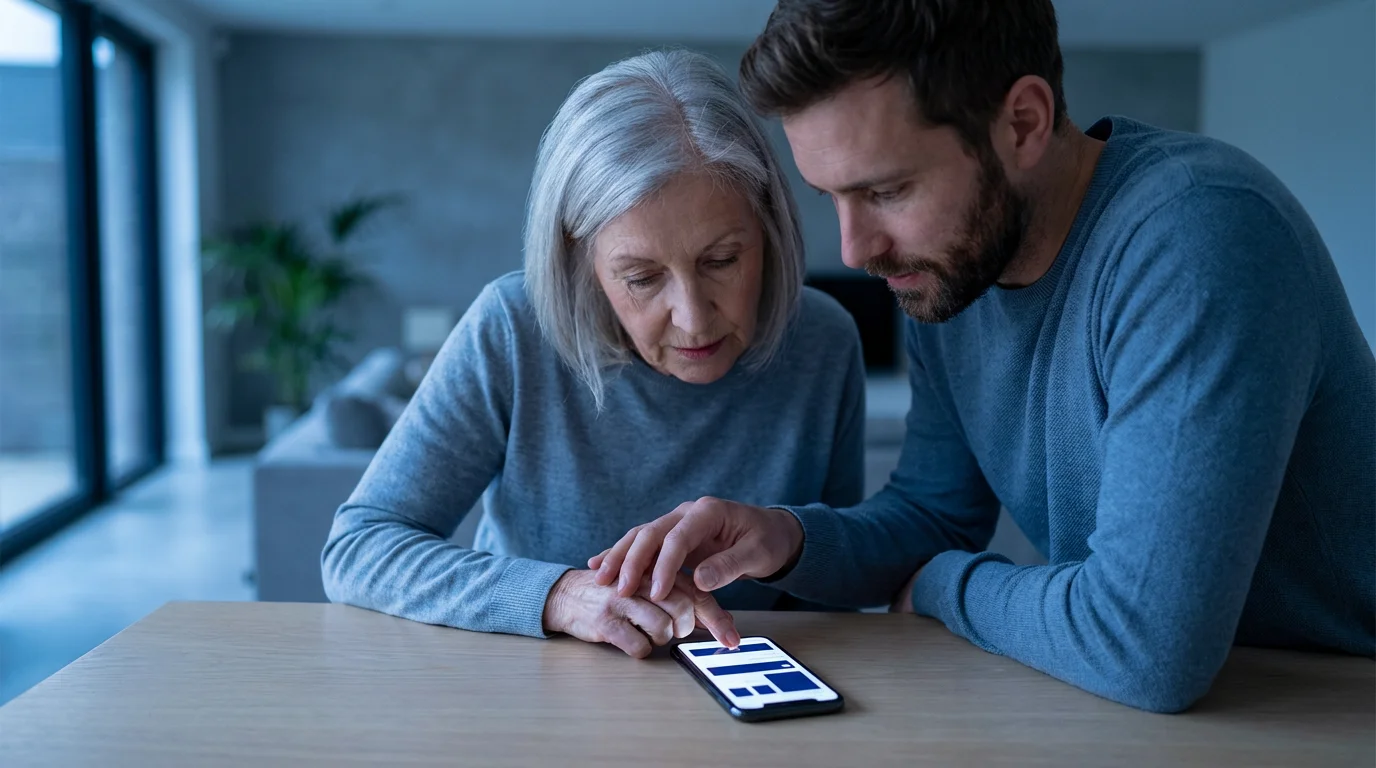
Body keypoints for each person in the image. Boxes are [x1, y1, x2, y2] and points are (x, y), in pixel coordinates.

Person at [591, 0, 1375, 712]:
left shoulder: (1198, 237)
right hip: (1187, 710)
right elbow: (935, 515)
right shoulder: (953, 271)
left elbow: (1144, 643)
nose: (856, 249)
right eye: (831, 196)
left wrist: (945, 585)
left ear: (1023, 123)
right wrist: (786, 539)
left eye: (887, 191)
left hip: (1333, 703)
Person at [320, 49, 864, 659]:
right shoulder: (511, 328)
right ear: (581, 260)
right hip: (530, 688)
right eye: (642, 278)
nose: (692, 317)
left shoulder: (825, 340)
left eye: (722, 261)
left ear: (769, 226)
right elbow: (358, 548)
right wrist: (560, 595)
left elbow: (843, 582)